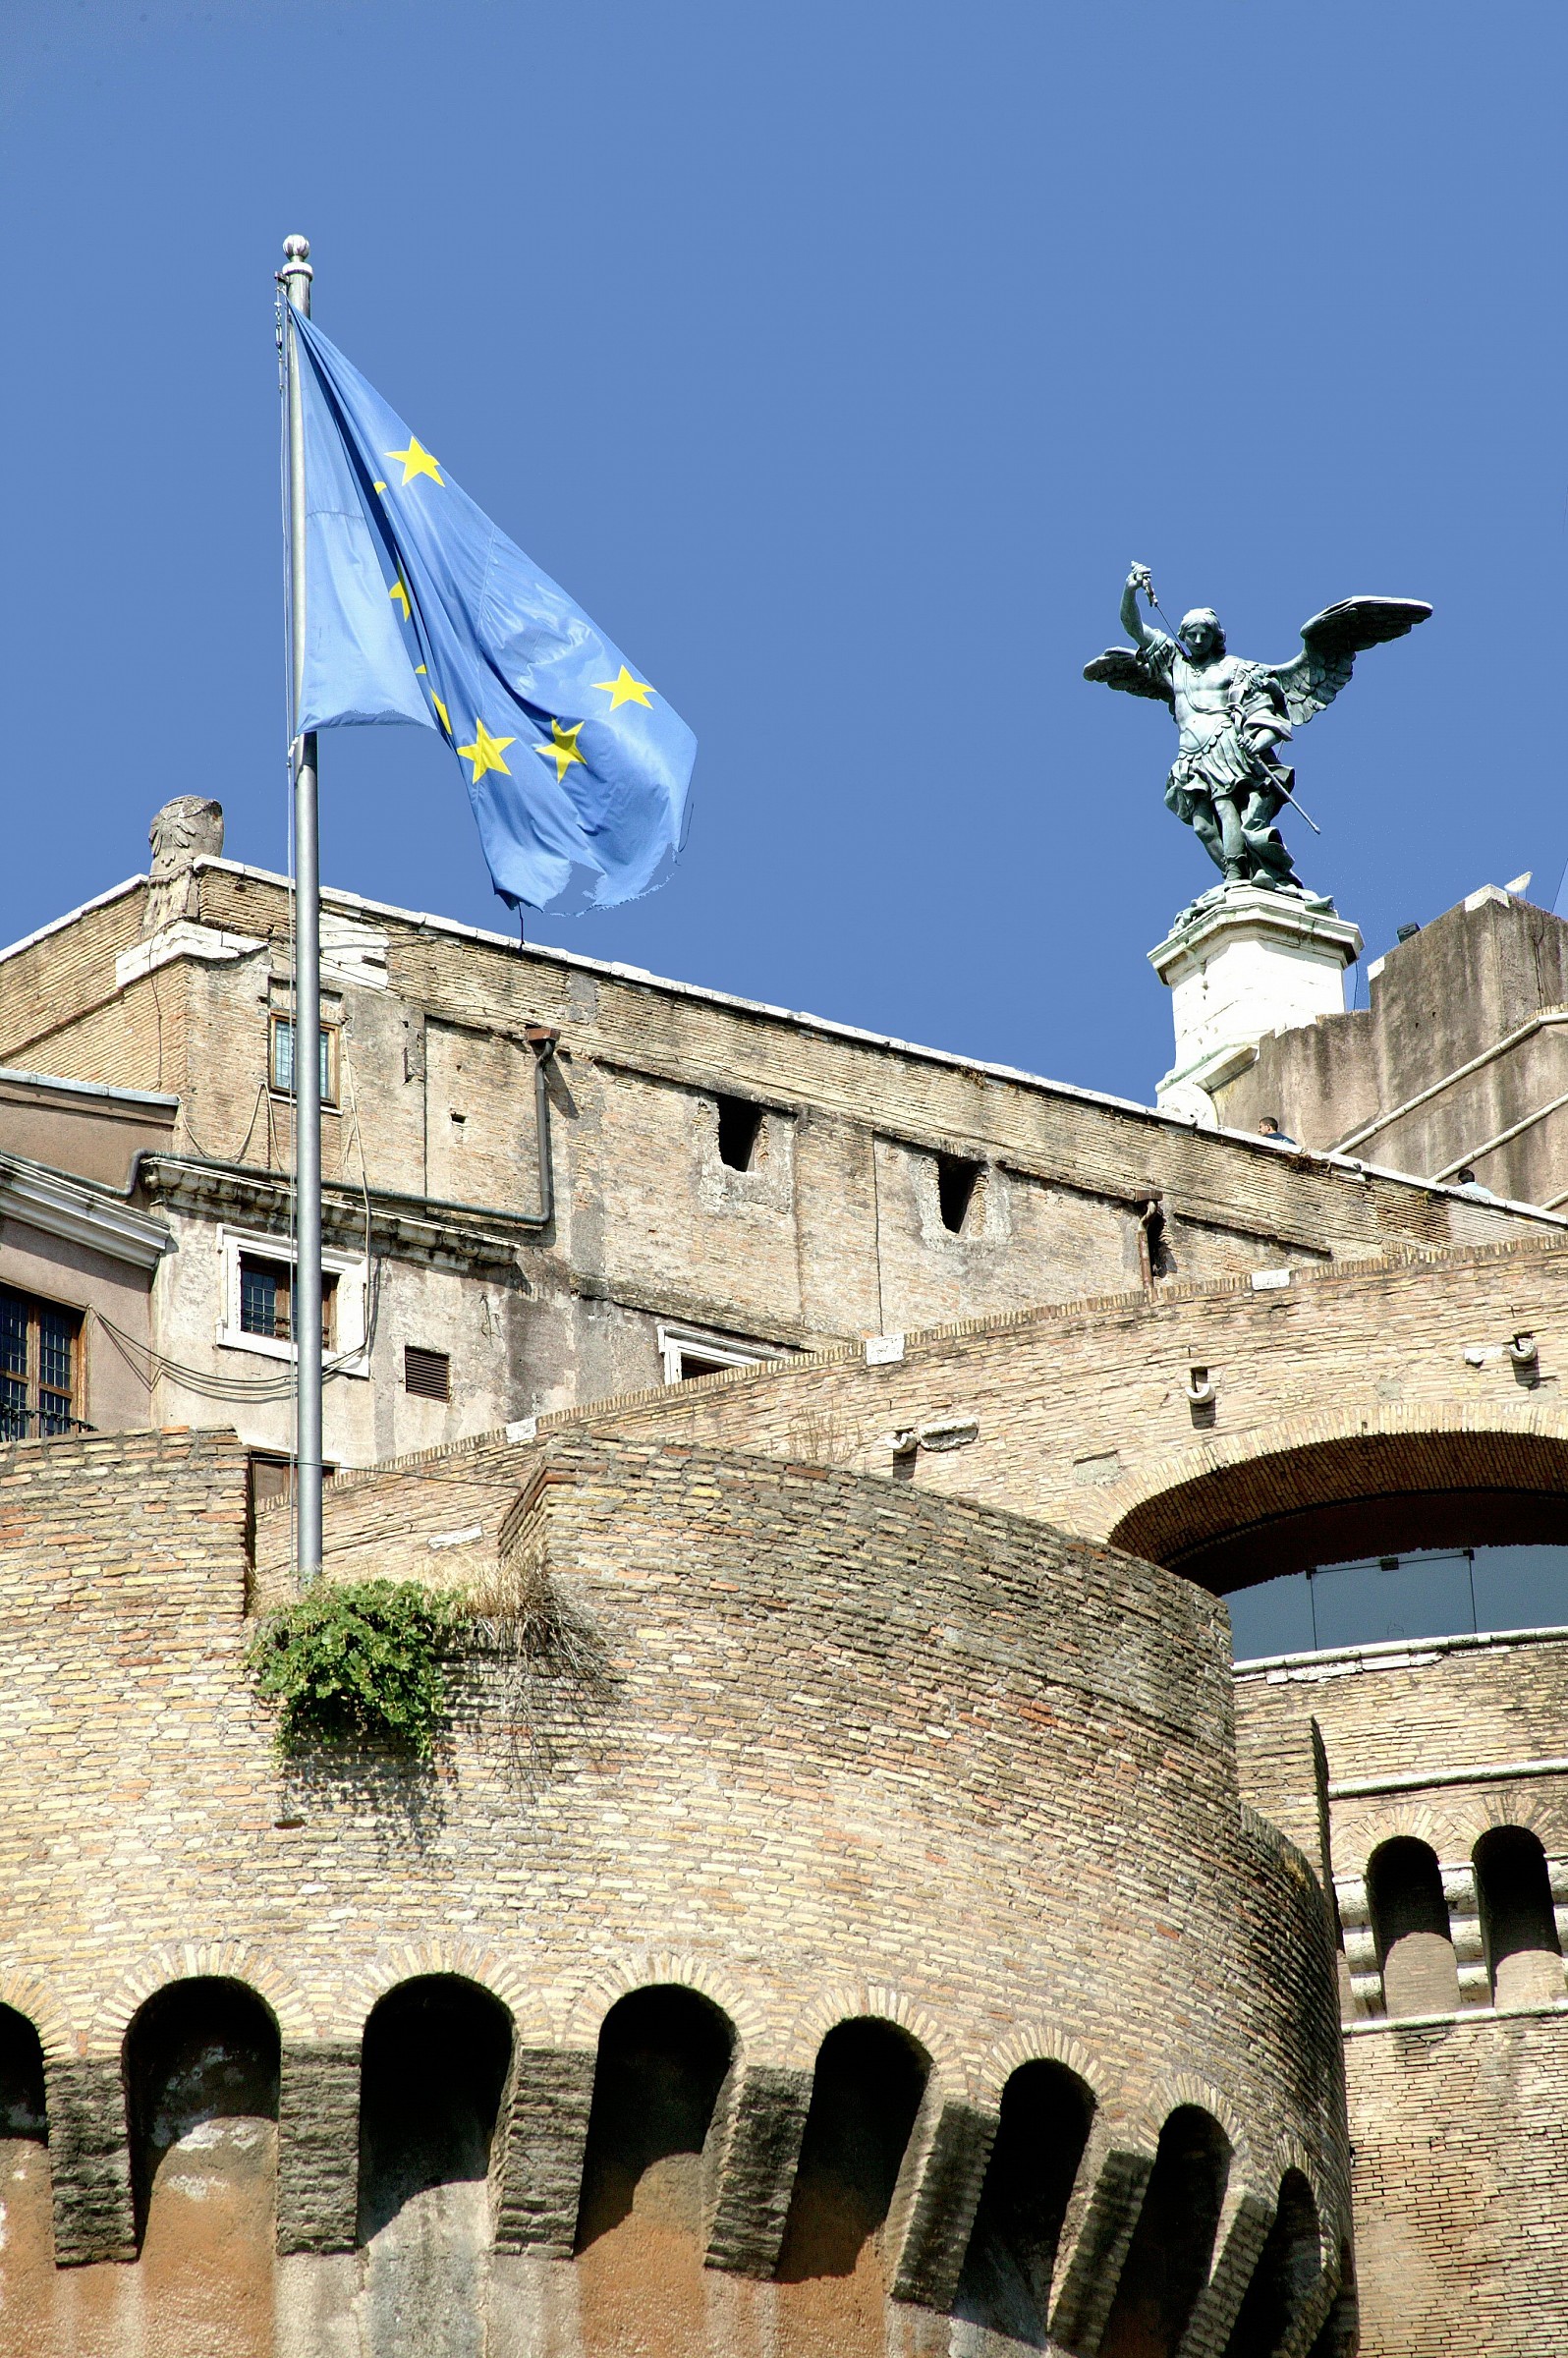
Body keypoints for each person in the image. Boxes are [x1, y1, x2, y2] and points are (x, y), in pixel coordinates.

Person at [1117, 570, 1303, 891]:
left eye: (1205, 634)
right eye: (1192, 635)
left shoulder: (1234, 668)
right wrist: (1130, 590)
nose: (1199, 640)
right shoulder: (1174, 663)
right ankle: (1241, 872)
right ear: (1184, 635)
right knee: (1203, 827)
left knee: (1225, 808)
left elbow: (1268, 711)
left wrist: (1256, 740)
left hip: (1224, 745)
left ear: (1216, 636)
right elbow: (1133, 626)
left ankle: (1235, 877)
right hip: (1190, 756)